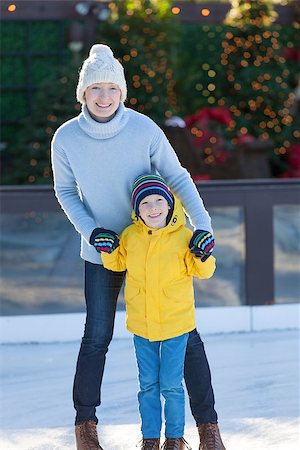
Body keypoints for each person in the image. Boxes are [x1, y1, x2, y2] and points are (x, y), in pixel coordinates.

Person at [51, 43, 226, 450]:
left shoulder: (143, 129)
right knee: (96, 336)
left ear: (122, 92)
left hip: (158, 248)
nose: (104, 96)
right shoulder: (67, 138)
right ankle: (85, 427)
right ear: (83, 93)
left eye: (112, 88)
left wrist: (203, 224)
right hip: (103, 251)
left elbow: (177, 177)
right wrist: (91, 230)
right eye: (96, 88)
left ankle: (209, 428)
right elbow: (64, 190)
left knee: (186, 335)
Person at [99, 174, 216, 450]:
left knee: (172, 385)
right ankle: (150, 438)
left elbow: (203, 271)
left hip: (176, 325)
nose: (153, 208)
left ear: (170, 204)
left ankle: (174, 438)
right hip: (142, 325)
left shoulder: (184, 236)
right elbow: (117, 263)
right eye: (146, 203)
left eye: (159, 200)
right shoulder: (131, 236)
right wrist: (107, 249)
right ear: (137, 210)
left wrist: (204, 253)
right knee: (148, 385)